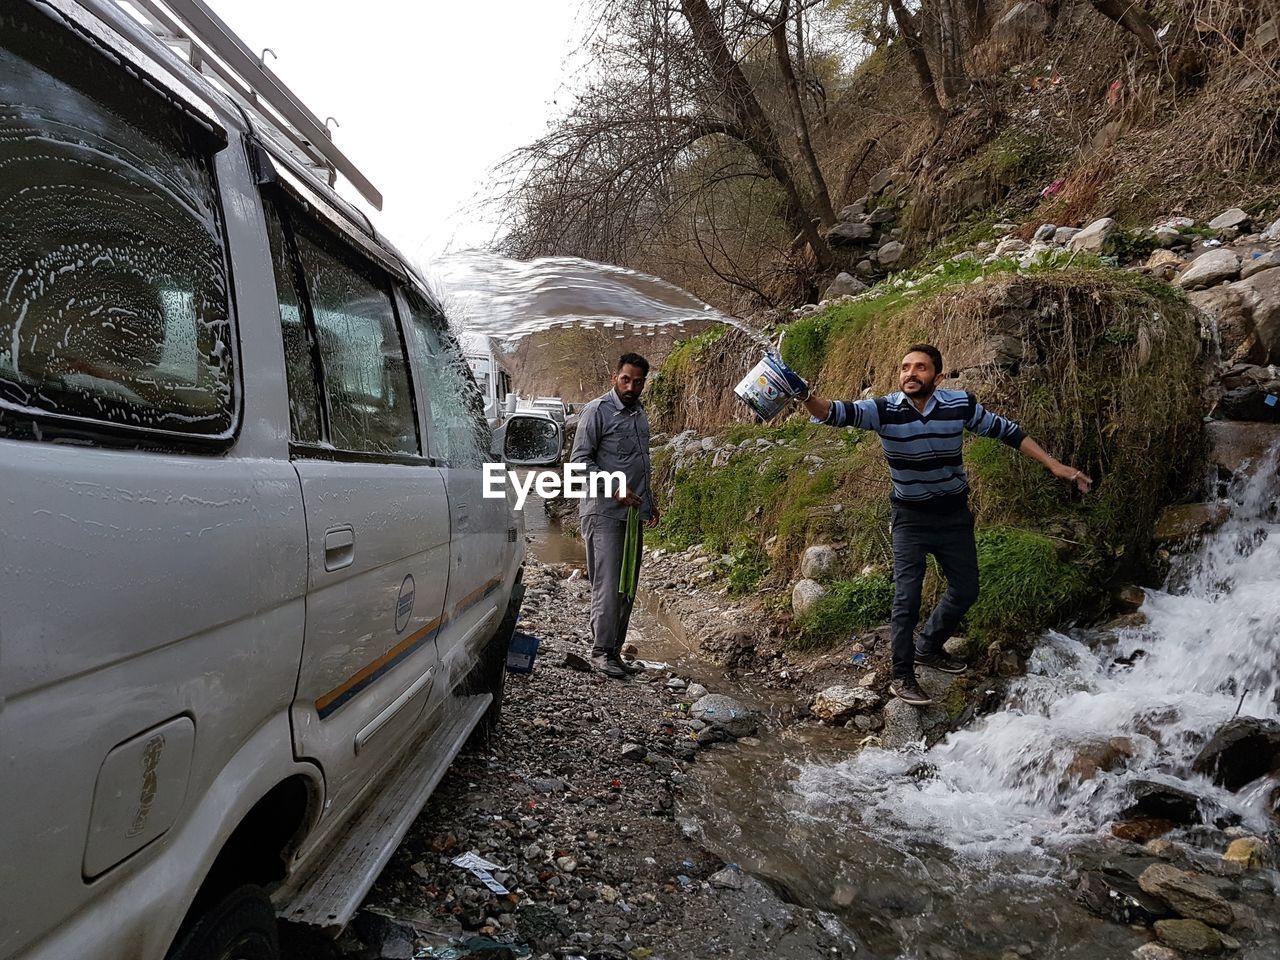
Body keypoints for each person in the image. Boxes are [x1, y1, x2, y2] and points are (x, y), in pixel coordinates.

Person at [776, 344, 1092, 707]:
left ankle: (927, 646)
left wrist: (1054, 465)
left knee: (966, 589)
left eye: (920, 368)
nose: (911, 373)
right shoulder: (883, 410)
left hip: (953, 513)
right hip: (910, 516)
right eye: (905, 367)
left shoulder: (960, 406)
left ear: (938, 377)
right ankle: (902, 675)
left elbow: (1009, 432)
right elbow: (834, 413)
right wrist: (803, 394)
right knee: (907, 596)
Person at [570, 353, 661, 678]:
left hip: (633, 516)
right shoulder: (598, 411)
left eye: (637, 382)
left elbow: (640, 463)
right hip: (604, 512)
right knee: (608, 586)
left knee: (627, 587)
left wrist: (649, 503)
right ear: (614, 377)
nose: (631, 387)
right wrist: (614, 488)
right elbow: (579, 462)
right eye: (626, 379)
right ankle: (599, 652)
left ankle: (614, 652)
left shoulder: (639, 414)